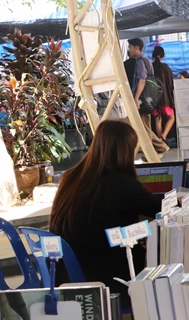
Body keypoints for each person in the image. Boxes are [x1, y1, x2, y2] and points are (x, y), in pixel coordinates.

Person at [49, 120, 161, 304]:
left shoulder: (71, 176)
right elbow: (161, 208)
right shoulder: (119, 183)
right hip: (106, 276)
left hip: (68, 273)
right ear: (125, 150)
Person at [127, 38, 170, 155]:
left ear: (137, 48)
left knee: (144, 127)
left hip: (142, 99)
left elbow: (142, 80)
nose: (129, 50)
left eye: (130, 47)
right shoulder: (145, 60)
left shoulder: (141, 61)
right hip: (147, 98)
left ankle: (154, 151)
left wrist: (136, 98)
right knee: (144, 126)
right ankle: (157, 149)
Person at [152, 46, 176, 143]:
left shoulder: (151, 67)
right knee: (171, 118)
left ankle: (160, 142)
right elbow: (171, 83)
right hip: (165, 99)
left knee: (158, 120)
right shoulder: (165, 68)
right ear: (163, 55)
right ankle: (163, 137)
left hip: (154, 100)